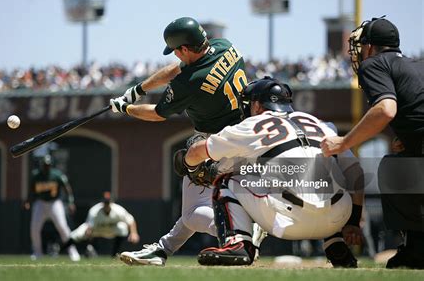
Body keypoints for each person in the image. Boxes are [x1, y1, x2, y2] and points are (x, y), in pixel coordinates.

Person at [110, 17, 266, 266]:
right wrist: (139, 88)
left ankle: (242, 233)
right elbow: (177, 68)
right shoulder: (225, 45)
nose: (175, 55)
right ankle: (161, 251)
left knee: (193, 213)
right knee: (191, 207)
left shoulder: (190, 82)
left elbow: (157, 113)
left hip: (218, 144)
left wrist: (126, 108)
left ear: (184, 49)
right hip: (246, 134)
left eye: (176, 51)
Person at [183, 77, 365, 266]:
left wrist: (188, 164)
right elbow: (356, 172)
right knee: (319, 174)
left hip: (289, 222)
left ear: (257, 104)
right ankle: (335, 244)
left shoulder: (250, 125)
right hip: (338, 218)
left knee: (226, 180)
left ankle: (238, 244)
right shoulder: (319, 123)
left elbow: (197, 152)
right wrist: (353, 221)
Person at [321, 17, 424, 269]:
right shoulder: (416, 66)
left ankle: (416, 248)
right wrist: (409, 135)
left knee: (392, 168)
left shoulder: (374, 64)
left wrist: (343, 143)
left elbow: (386, 109)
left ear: (369, 47)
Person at [25, 154, 81, 261]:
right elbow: (31, 190)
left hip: (54, 203)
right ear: (42, 165)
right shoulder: (36, 176)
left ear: (51, 165)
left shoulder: (57, 175)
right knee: (34, 228)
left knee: (62, 227)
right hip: (40, 203)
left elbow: (67, 188)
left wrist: (70, 202)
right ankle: (37, 253)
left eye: (48, 165)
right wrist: (28, 201)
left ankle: (73, 252)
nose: (46, 167)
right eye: (45, 165)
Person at [61, 192, 140, 257]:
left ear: (111, 202)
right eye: (105, 202)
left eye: (108, 202)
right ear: (102, 202)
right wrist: (88, 242)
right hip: (96, 230)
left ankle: (115, 254)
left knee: (122, 228)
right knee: (78, 233)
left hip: (111, 230)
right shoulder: (95, 211)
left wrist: (134, 233)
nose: (106, 205)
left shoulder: (118, 210)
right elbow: (89, 228)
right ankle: (60, 250)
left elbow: (130, 220)